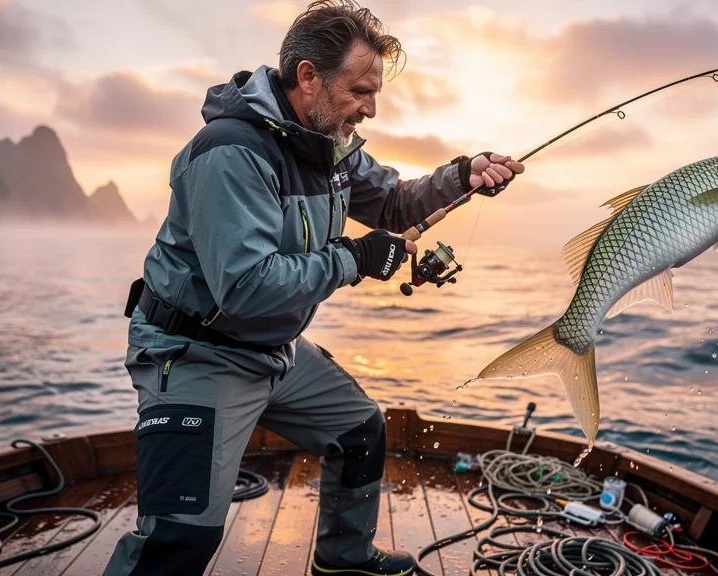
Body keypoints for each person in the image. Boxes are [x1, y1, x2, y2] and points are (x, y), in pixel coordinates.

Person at [104, 1, 524, 574]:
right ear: (308, 77)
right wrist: (354, 258)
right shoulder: (231, 153)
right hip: (197, 353)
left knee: (360, 431)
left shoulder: (331, 145)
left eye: (374, 92)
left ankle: (343, 558)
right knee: (179, 541)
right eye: (358, 91)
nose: (369, 109)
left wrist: (462, 177)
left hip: (273, 349)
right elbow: (247, 285)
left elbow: (394, 203)